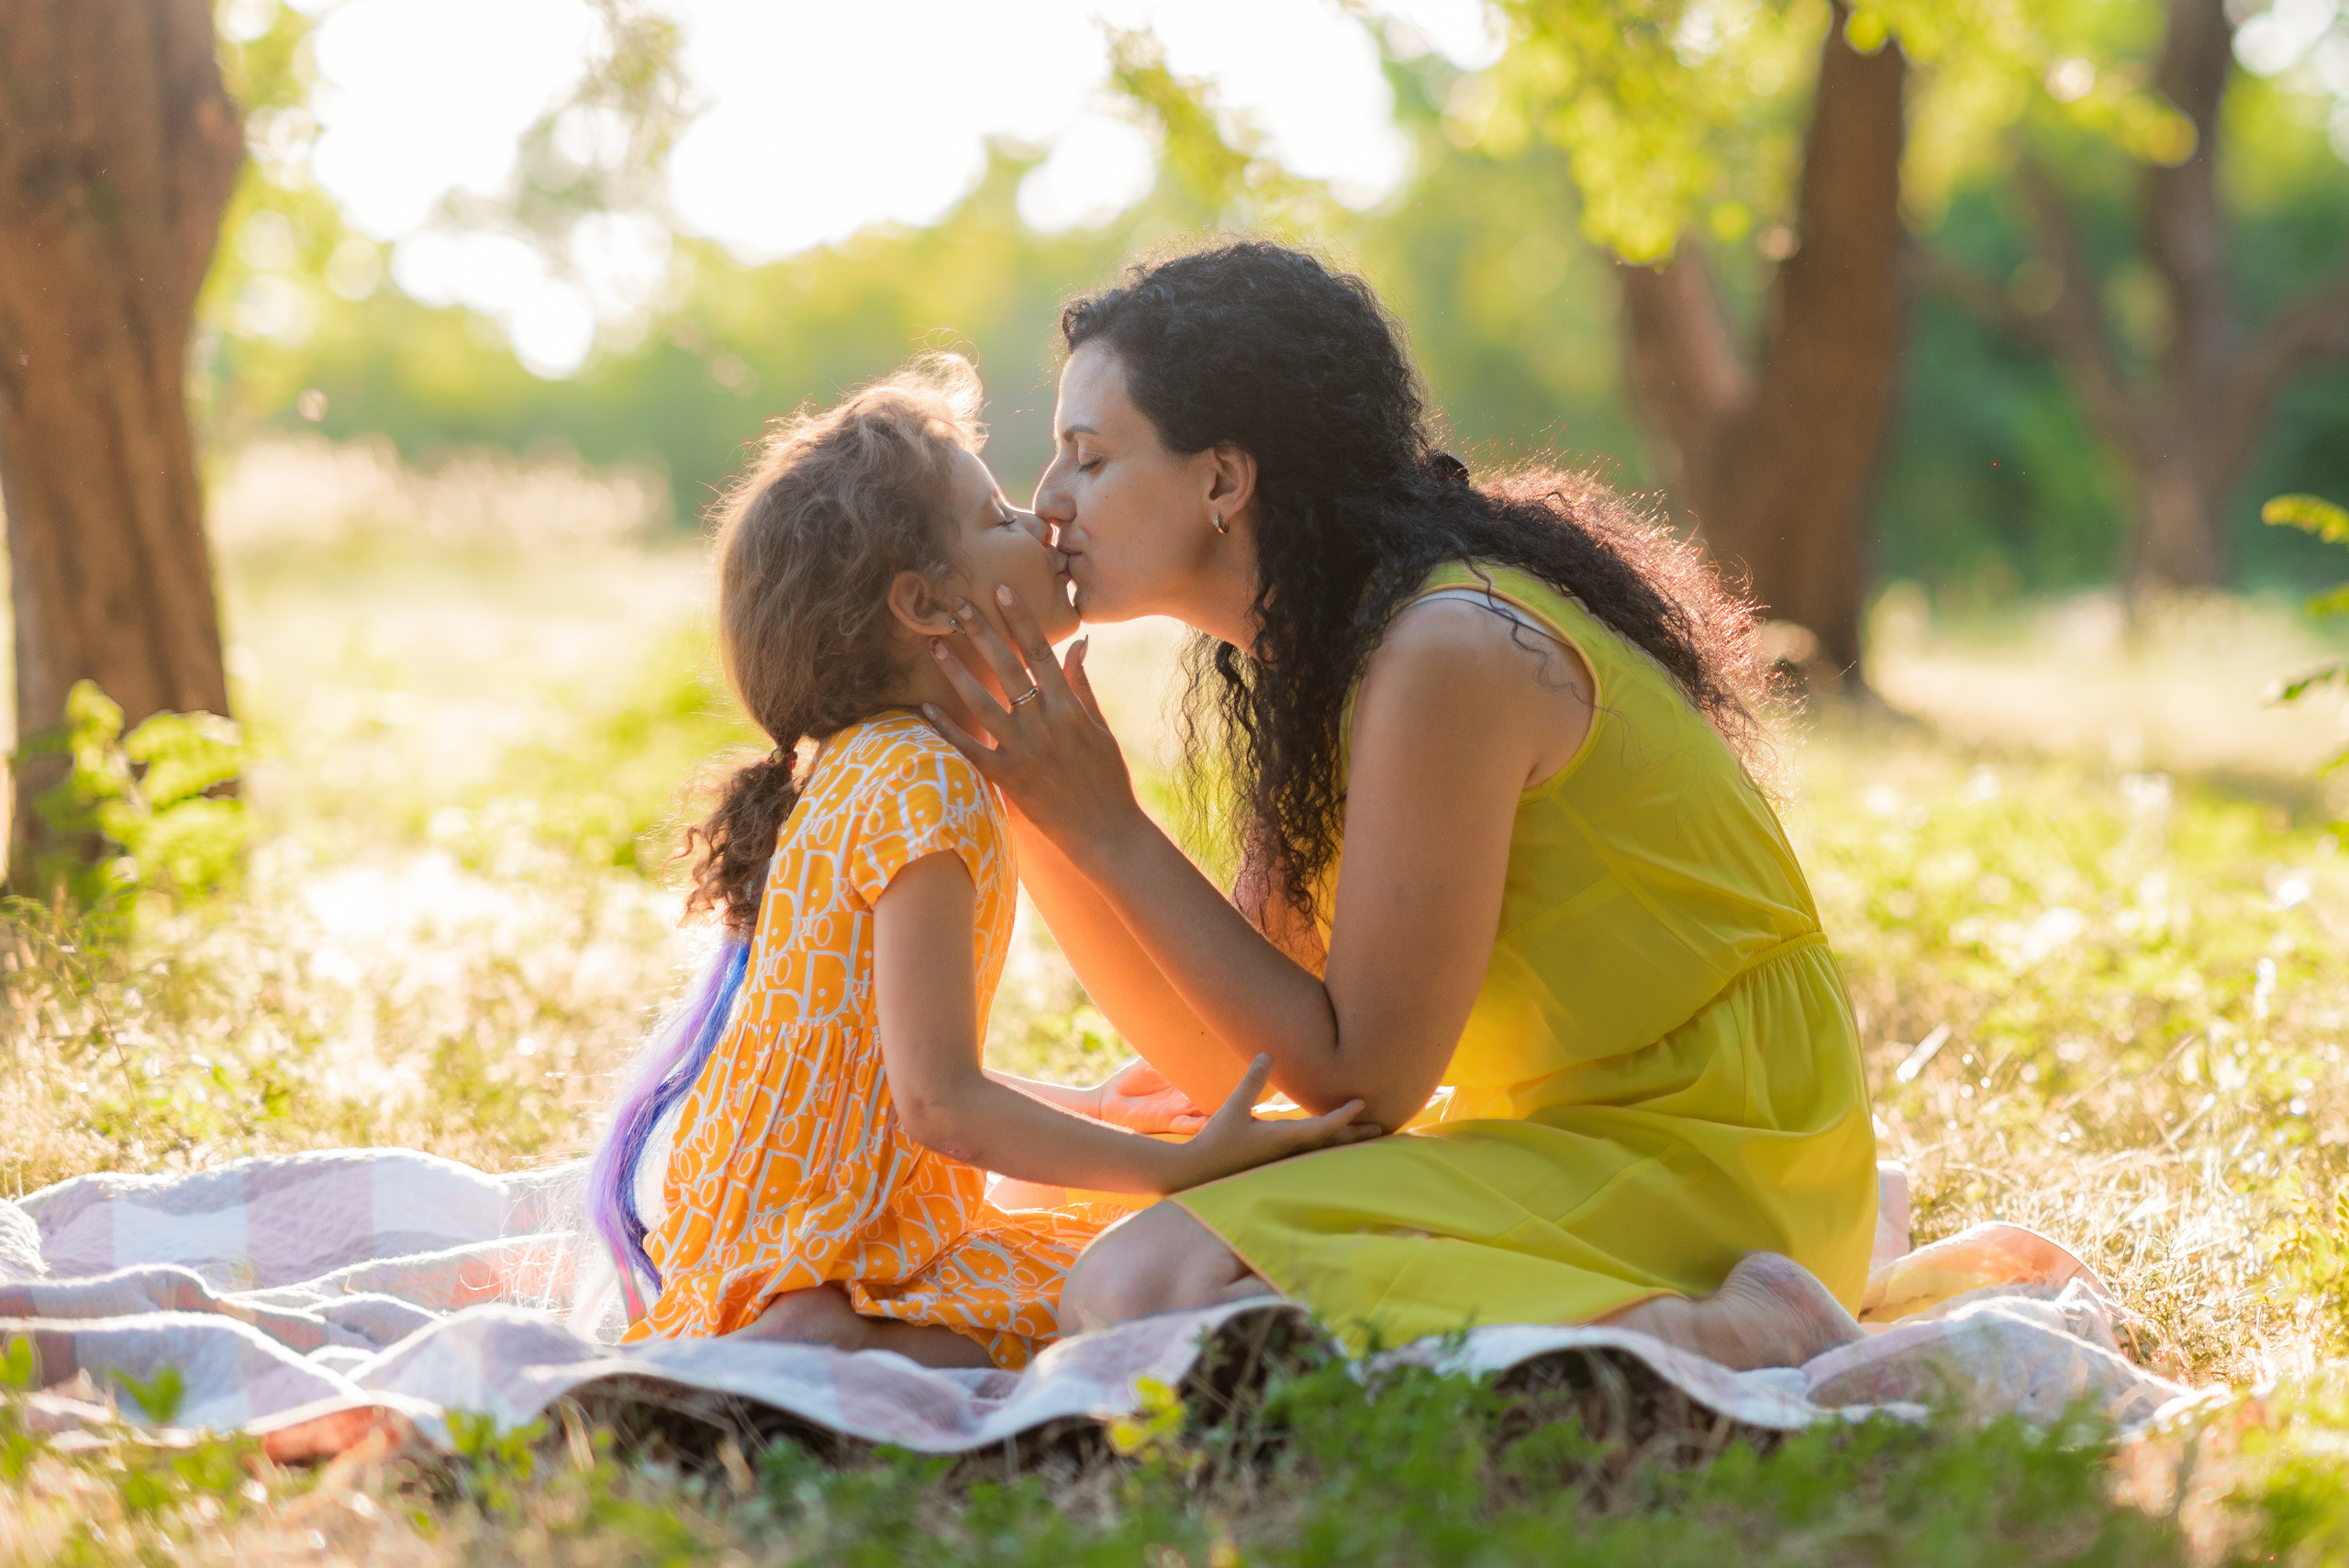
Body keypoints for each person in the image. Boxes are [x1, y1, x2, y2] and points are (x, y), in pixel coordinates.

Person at [924, 242, 1878, 1372]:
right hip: (1562, 1142)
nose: (1048, 504)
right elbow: (1228, 1066)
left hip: (1717, 1155)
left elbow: (1362, 1081)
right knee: (1067, 1182)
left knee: (1140, 1281)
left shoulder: (1449, 647)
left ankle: (1710, 1326)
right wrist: (1032, 795)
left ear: (1223, 479)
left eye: (1087, 458)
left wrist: (1113, 827)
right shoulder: (1322, 653)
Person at [582, 357, 1376, 1370]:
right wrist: (1177, 1165)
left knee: (1108, 1241)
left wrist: (1093, 1111)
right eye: (999, 515)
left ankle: (823, 1323)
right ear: (923, 603)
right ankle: (844, 1334)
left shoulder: (864, 765)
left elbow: (873, 1075)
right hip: (834, 1258)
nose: (1042, 523)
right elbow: (940, 1104)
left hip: (756, 1241)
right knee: (1170, 1265)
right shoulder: (929, 787)